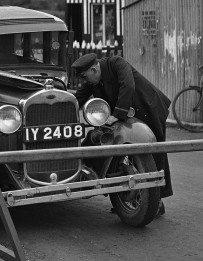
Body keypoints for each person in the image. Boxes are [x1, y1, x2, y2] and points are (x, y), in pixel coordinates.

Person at [72, 52, 172, 216]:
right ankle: (128, 198)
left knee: (154, 154)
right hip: (131, 114)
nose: (85, 81)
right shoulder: (94, 79)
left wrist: (117, 114)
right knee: (124, 150)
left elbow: (128, 85)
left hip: (149, 108)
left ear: (94, 70)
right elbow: (78, 98)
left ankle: (157, 202)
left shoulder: (116, 63)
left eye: (85, 76)